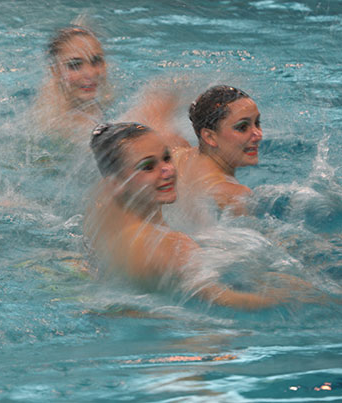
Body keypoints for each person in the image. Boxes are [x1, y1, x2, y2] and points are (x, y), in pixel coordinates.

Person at [84, 122, 297, 310]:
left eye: (166, 158)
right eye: (148, 166)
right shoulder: (171, 246)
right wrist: (294, 300)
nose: (167, 170)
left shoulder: (100, 214)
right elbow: (225, 302)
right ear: (116, 184)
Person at [171, 85, 262, 215]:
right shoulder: (234, 196)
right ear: (210, 137)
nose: (258, 134)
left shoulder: (174, 153)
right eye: (242, 127)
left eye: (257, 123)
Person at [29, 25, 112, 140]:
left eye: (96, 61)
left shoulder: (105, 90)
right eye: (75, 65)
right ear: (55, 72)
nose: (90, 73)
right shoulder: (54, 123)